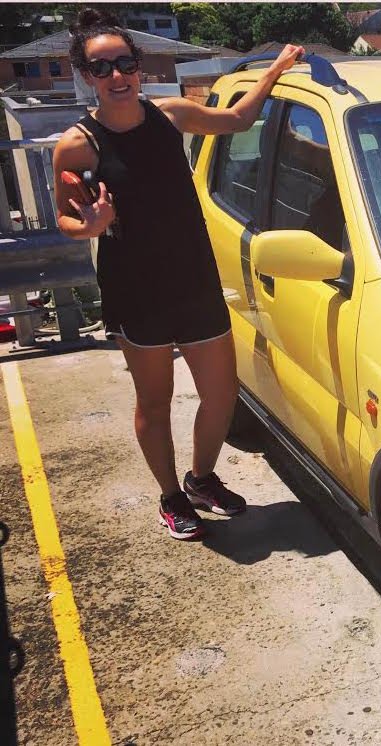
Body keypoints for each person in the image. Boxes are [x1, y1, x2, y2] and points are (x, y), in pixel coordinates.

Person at [52, 7, 304, 540]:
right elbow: (65, 218)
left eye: (125, 64)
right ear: (86, 75)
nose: (117, 76)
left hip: (194, 278)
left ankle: (201, 479)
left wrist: (274, 70)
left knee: (220, 394)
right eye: (102, 68)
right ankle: (170, 497)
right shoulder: (77, 145)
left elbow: (237, 120)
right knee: (155, 401)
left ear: (138, 67)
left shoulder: (172, 116)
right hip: (136, 290)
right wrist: (91, 224)